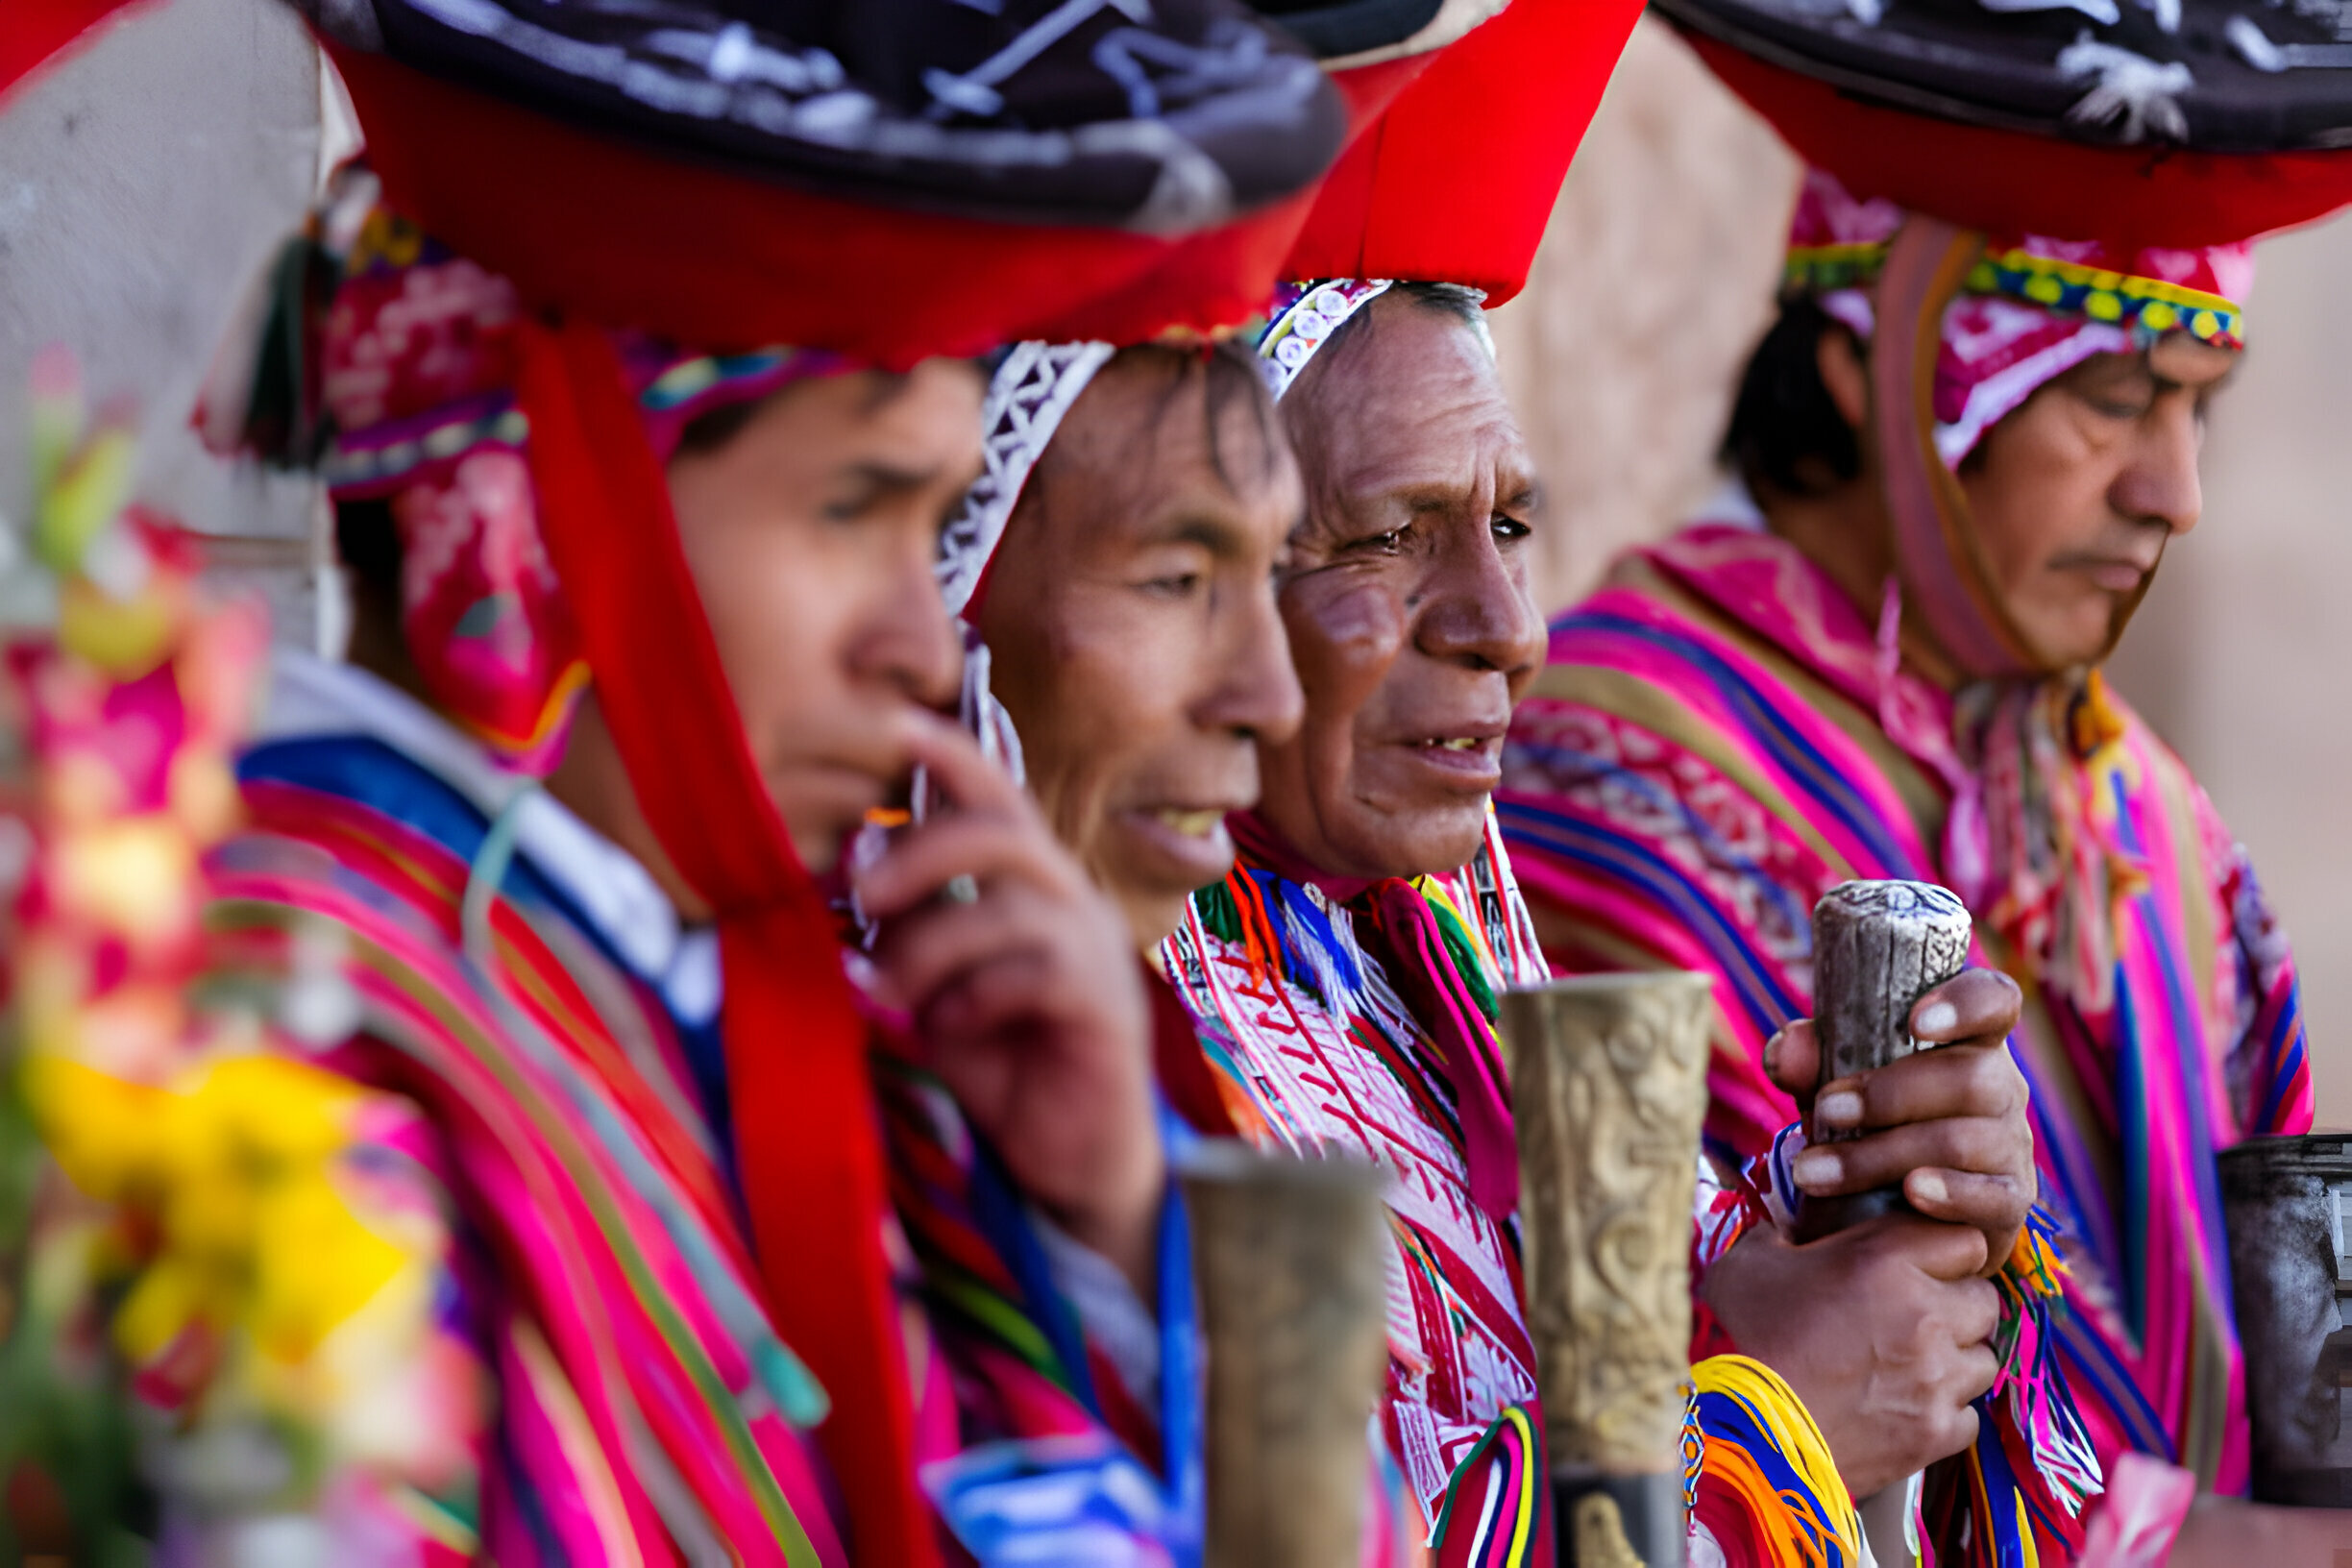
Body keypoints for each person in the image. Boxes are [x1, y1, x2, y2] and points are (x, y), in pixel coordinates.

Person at [0, 0, 1354, 1559]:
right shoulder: (262, 1065)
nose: (927, 646)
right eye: (856, 509)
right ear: (515, 527)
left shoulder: (740, 1037)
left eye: (934, 532)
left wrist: (1106, 1207)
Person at [950, 283, 2092, 1564]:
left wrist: (1866, 1220)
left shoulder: (1430, 965)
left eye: (1508, 524)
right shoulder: (1029, 1062)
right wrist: (1762, 1431)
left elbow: (1664, 1329)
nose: (1511, 627)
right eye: (1391, 535)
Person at [1496, 4, 2352, 1548]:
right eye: (2112, 398)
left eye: (2197, 408)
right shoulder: (1618, 762)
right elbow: (1720, 1347)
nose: (2176, 494)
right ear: (1868, 373)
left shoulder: (2134, 810)